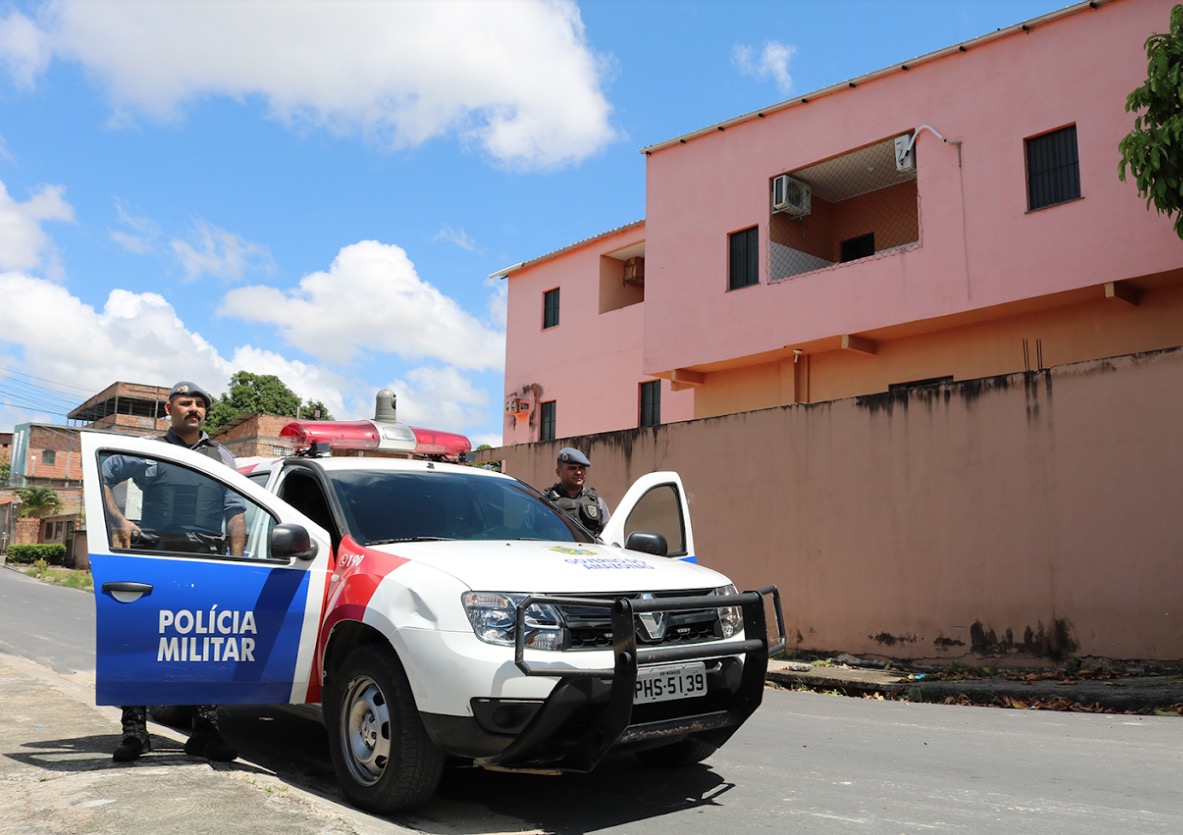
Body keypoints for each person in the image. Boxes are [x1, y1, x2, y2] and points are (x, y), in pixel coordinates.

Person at [101, 380, 243, 763]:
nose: (193, 408)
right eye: (185, 403)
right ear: (169, 409)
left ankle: (205, 731)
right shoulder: (149, 450)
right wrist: (119, 522)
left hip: (207, 562)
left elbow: (236, 513)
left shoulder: (222, 457)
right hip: (157, 560)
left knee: (208, 646)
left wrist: (237, 564)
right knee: (140, 642)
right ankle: (135, 732)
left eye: (200, 403)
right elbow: (102, 475)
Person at [544, 447, 611, 535]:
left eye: (582, 468)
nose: (578, 472)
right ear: (558, 472)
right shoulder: (543, 501)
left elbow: (607, 536)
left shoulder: (598, 502)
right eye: (572, 468)